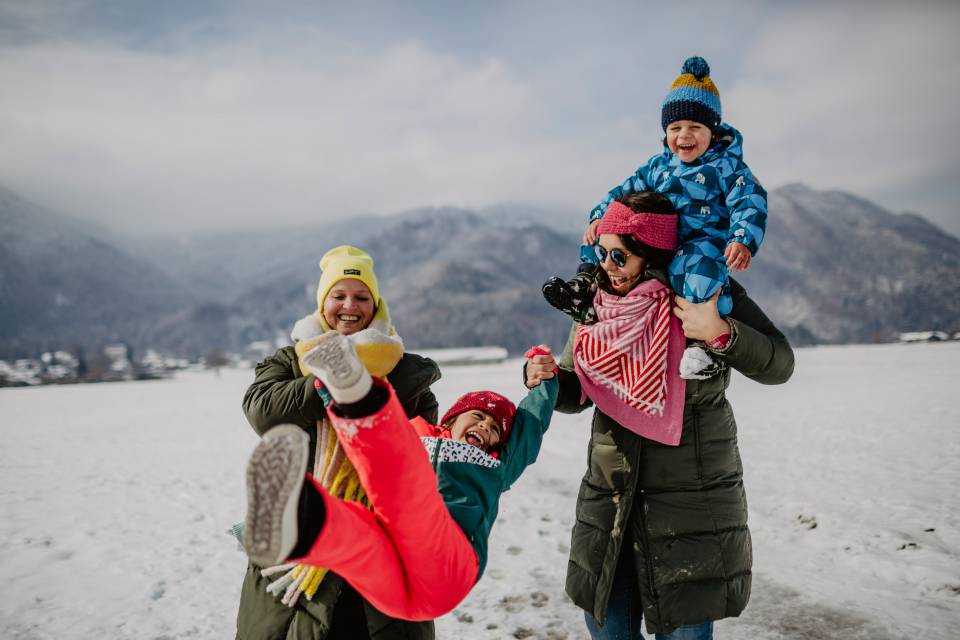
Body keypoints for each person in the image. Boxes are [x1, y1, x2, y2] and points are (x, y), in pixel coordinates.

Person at [526, 192, 794, 639]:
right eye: (601, 251)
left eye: (619, 255)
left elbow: (780, 363)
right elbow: (580, 390)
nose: (606, 265)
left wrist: (720, 332)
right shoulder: (596, 304)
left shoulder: (703, 290)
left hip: (690, 508)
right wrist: (547, 378)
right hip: (611, 503)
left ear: (650, 255)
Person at [242, 334, 560, 621]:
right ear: (451, 420)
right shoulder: (420, 433)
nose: (485, 429)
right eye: (478, 417)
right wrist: (330, 402)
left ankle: (357, 396)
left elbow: (531, 422)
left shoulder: (496, 463)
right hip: (392, 568)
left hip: (447, 567)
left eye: (494, 430)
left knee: (406, 488)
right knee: (355, 539)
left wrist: (543, 382)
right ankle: (300, 516)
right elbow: (368, 456)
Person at [236, 245, 442, 640]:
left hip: (380, 548)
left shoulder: (406, 374)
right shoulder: (290, 361)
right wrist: (337, 376)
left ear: (375, 304)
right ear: (322, 302)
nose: (350, 305)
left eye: (362, 297)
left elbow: (419, 452)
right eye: (339, 295)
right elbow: (262, 411)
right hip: (298, 545)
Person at [543, 56, 767, 377]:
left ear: (713, 131)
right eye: (675, 128)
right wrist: (599, 217)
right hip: (655, 239)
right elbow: (623, 191)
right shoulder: (658, 165)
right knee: (606, 245)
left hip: (698, 243)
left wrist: (742, 238)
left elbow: (750, 200)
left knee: (698, 274)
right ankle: (583, 289)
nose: (684, 135)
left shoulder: (726, 167)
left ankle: (702, 349)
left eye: (695, 127)